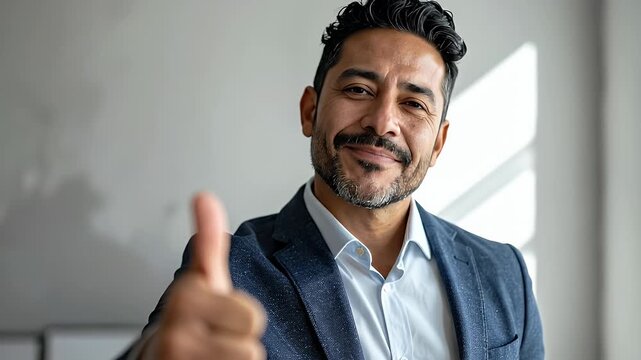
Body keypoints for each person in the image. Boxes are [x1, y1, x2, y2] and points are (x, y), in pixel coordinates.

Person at [119, 0, 544, 359]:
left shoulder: (503, 273)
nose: (382, 123)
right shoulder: (232, 271)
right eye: (359, 89)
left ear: (438, 144)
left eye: (414, 103)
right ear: (310, 110)